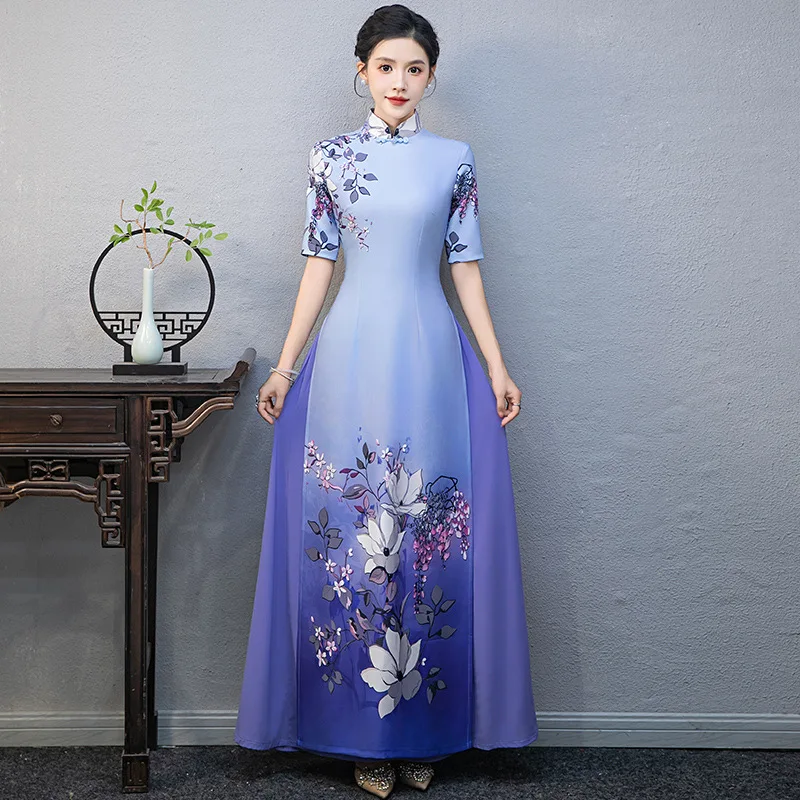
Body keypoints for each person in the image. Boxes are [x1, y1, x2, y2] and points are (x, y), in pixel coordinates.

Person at [234, 4, 538, 796]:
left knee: (427, 535)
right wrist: (285, 367)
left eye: (414, 68)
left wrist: (497, 366)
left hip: (432, 357)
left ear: (431, 77)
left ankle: (421, 734)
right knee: (356, 534)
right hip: (349, 357)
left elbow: (465, 265)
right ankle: (362, 739)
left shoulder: (454, 160)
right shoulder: (330, 158)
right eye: (385, 67)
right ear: (362, 73)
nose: (399, 81)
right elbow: (319, 264)